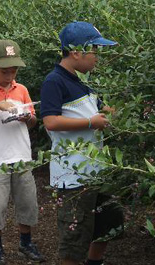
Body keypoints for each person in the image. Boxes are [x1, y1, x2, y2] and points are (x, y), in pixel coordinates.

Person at [40, 21, 124, 265]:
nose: (98, 56)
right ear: (76, 51)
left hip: (98, 170)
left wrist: (127, 113)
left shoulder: (84, 80)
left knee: (107, 223)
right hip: (73, 176)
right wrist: (90, 123)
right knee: (74, 237)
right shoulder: (54, 81)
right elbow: (51, 122)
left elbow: (101, 111)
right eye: (94, 50)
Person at [0, 39, 45, 264]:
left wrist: (27, 117)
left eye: (13, 71)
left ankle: (26, 242)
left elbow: (33, 121)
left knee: (27, 201)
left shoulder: (21, 90)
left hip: (21, 156)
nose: (10, 76)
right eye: (4, 71)